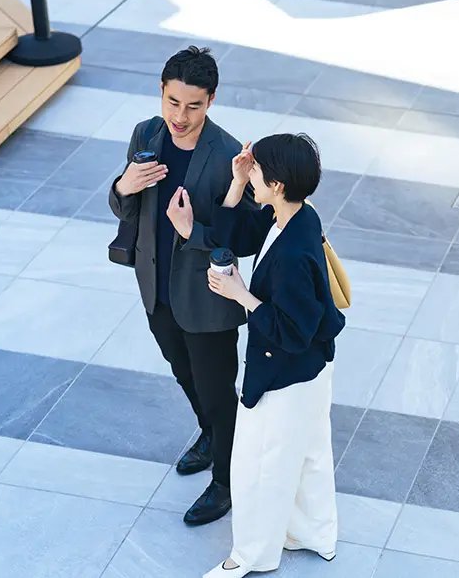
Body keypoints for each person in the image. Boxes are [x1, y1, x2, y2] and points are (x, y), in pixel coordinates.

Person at [108, 46, 255, 526]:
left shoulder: (228, 156)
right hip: (156, 290)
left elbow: (246, 238)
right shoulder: (145, 133)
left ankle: (227, 484)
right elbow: (125, 208)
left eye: (193, 105)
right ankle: (210, 437)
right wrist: (123, 187)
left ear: (211, 100)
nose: (180, 116)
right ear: (162, 92)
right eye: (173, 102)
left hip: (208, 299)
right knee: (183, 373)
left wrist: (195, 233)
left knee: (217, 391)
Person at [203, 133, 345, 577]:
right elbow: (238, 233)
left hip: (285, 377)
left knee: (258, 467)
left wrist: (241, 294)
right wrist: (238, 179)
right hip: (310, 372)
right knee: (307, 455)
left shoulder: (292, 253)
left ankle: (249, 557)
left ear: (279, 184)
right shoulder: (295, 217)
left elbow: (291, 330)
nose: (253, 178)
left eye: (259, 172)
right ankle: (313, 534)